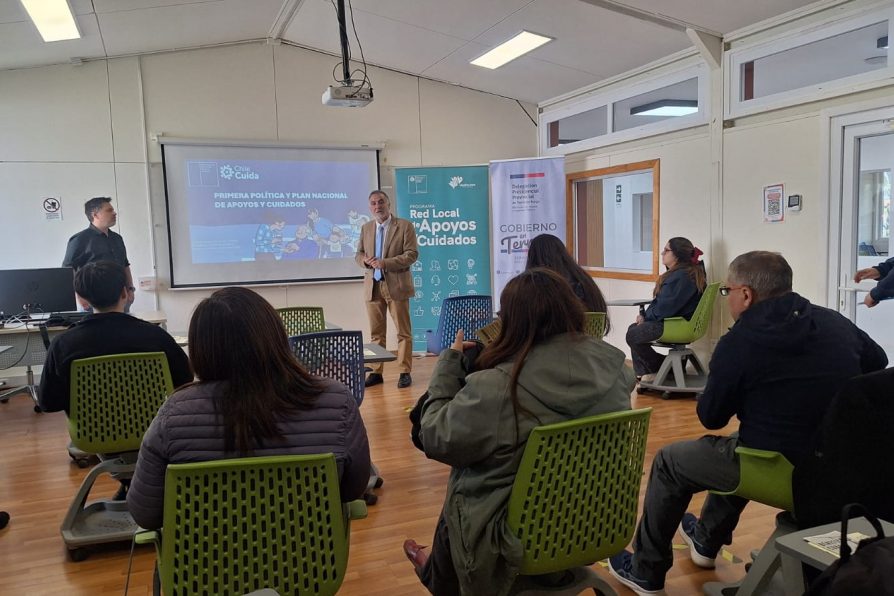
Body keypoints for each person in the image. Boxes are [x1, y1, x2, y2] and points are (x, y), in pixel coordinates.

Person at [608, 251, 887, 595]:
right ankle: (706, 541)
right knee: (743, 443)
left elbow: (711, 417)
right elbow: (878, 363)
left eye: (726, 291)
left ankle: (645, 571)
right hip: (845, 464)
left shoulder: (739, 342)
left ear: (746, 294)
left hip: (795, 474)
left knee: (671, 461)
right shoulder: (834, 321)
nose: (725, 299)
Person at [404, 268, 635, 596]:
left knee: (464, 482)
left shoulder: (498, 387)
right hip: (592, 521)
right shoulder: (617, 372)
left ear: (512, 321)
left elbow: (433, 436)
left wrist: (448, 364)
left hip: (513, 539)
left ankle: (439, 577)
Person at [126, 287, 371, 530]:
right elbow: (353, 489)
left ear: (201, 348)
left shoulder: (174, 415)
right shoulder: (337, 401)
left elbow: (145, 514)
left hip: (207, 565)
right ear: (276, 335)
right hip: (309, 562)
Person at [38, 261, 192, 415]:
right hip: (150, 430)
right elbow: (185, 379)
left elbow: (48, 403)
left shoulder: (62, 344)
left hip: (90, 434)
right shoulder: (156, 336)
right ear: (125, 293)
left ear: (81, 299)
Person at [355, 190, 418, 389]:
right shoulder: (366, 228)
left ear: (388, 204)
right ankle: (376, 371)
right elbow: (358, 254)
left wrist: (385, 263)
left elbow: (412, 254)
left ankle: (404, 371)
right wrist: (366, 261)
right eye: (373, 203)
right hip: (373, 287)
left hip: (397, 286)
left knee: (403, 332)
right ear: (369, 207)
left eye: (381, 202)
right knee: (376, 334)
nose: (377, 206)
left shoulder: (405, 226)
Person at [625, 236, 706, 381]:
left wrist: (645, 318)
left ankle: (663, 368)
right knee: (634, 330)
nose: (662, 253)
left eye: (666, 250)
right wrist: (645, 317)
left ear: (677, 255)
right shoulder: (687, 273)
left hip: (674, 325)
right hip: (676, 322)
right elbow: (664, 304)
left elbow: (665, 308)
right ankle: (650, 372)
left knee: (633, 334)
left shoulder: (682, 276)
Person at [525, 233, 610, 333]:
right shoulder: (583, 278)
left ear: (533, 258)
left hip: (560, 342)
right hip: (590, 341)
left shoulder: (541, 285)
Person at [63, 197, 135, 309]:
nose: (114, 213)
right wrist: (79, 296)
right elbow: (68, 270)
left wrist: (130, 289)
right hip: (93, 299)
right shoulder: (80, 239)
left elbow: (125, 265)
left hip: (120, 298)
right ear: (95, 215)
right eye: (109, 210)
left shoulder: (117, 238)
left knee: (121, 326)